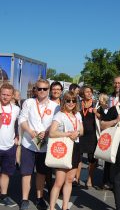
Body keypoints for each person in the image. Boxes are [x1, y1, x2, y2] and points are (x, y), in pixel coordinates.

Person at [18, 79, 60, 210]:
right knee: (26, 172)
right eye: (39, 88)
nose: (42, 91)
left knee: (41, 173)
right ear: (35, 89)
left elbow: (56, 124)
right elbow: (22, 119)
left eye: (45, 89)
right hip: (28, 144)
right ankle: (24, 199)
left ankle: (39, 197)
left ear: (49, 90)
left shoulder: (55, 106)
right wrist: (30, 132)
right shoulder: (29, 103)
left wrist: (46, 133)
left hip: (44, 145)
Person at [49, 91, 83, 210]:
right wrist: (68, 134)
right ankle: (52, 207)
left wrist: (77, 132)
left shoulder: (77, 115)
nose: (71, 103)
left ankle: (65, 207)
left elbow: (82, 131)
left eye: (73, 100)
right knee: (59, 181)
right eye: (68, 100)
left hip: (75, 148)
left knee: (69, 180)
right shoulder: (60, 115)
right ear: (64, 101)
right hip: (64, 148)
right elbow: (52, 132)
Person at [0, 83, 20, 207]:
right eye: (3, 94)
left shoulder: (16, 109)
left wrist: (18, 136)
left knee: (6, 173)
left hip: (9, 146)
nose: (5, 97)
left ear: (12, 96)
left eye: (8, 95)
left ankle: (3, 195)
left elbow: (20, 124)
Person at [76, 85, 98, 187]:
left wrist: (96, 113)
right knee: (78, 156)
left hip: (92, 134)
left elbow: (102, 117)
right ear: (82, 93)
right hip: (80, 134)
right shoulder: (78, 104)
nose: (89, 93)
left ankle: (89, 178)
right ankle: (77, 178)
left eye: (90, 91)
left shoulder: (96, 104)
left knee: (92, 158)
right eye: (86, 92)